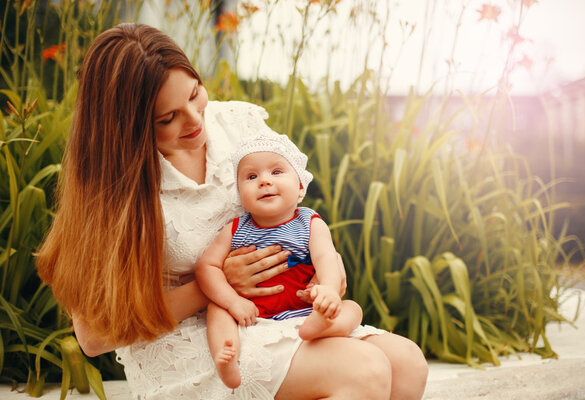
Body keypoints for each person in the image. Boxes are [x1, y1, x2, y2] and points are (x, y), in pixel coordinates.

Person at [35, 22, 428, 399]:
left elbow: (294, 218)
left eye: (194, 94)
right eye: (167, 118)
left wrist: (326, 271)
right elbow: (93, 338)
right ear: (127, 128)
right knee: (364, 371)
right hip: (191, 341)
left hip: (277, 313)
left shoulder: (239, 125)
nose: (194, 121)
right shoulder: (110, 187)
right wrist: (217, 285)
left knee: (407, 364)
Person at [196, 133, 363, 389]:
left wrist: (327, 289)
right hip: (252, 310)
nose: (264, 181)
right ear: (240, 194)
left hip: (302, 306)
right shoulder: (236, 228)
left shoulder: (308, 222)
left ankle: (320, 327)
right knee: (217, 308)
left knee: (352, 308)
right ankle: (226, 356)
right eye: (251, 177)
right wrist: (233, 301)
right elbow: (207, 267)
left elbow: (326, 257)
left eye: (276, 172)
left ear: (299, 187)